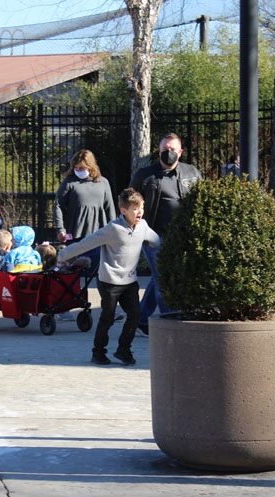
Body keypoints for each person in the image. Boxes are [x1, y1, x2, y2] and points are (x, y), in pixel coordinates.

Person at [57, 188, 160, 366]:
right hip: (109, 282)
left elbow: (157, 241)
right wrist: (62, 255)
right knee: (108, 317)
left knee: (134, 315)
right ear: (124, 210)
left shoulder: (143, 226)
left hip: (130, 281)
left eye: (142, 207)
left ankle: (123, 350)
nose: (140, 212)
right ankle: (98, 352)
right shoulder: (113, 228)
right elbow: (86, 243)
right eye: (135, 208)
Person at [129, 132, 202, 336]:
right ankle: (170, 322)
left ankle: (141, 320)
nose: (168, 153)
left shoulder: (191, 173)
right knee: (163, 277)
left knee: (158, 278)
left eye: (172, 149)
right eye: (164, 149)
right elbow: (129, 200)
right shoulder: (145, 175)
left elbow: (201, 199)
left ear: (180, 152)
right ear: (158, 150)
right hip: (153, 235)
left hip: (182, 235)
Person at [54, 149, 117, 319]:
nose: (78, 170)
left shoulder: (103, 182)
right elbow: (58, 205)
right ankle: (63, 307)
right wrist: (60, 229)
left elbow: (109, 207)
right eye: (76, 167)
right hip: (74, 236)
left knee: (102, 273)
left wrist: (114, 231)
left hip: (98, 236)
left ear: (90, 166)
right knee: (69, 273)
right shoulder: (69, 182)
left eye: (82, 168)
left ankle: (109, 308)